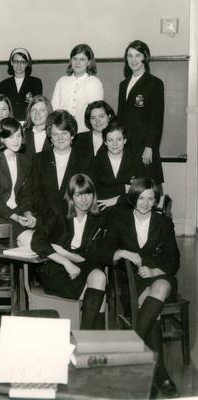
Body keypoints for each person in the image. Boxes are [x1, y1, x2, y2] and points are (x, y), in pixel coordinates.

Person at [102, 178, 179, 397]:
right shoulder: (120, 219)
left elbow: (174, 261)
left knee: (162, 286)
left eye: (151, 198)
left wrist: (155, 271)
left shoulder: (163, 223)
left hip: (160, 276)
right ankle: (160, 373)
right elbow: (102, 251)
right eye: (141, 198)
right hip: (133, 283)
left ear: (156, 200)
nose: (145, 203)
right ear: (133, 198)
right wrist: (121, 253)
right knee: (150, 304)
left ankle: (130, 356)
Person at [31, 173, 107, 329]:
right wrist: (65, 261)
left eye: (88, 194)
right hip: (56, 270)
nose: (85, 199)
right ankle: (89, 340)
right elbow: (37, 241)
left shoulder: (98, 218)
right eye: (79, 195)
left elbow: (95, 254)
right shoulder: (58, 214)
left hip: (83, 266)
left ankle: (84, 336)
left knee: (99, 277)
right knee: (99, 296)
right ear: (71, 196)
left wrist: (66, 253)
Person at [0, 117, 37, 286]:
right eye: (10, 137)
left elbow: (26, 193)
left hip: (15, 210)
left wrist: (27, 212)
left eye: (19, 135)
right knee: (29, 241)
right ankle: (0, 266)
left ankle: (0, 265)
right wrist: (15, 217)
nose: (16, 140)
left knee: (37, 233)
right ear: (1, 138)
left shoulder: (25, 159)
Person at [117, 40, 165, 186]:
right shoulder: (123, 84)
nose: (133, 60)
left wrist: (150, 147)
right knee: (128, 193)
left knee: (147, 191)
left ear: (145, 57)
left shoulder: (154, 83)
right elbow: (121, 117)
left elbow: (156, 119)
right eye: (130, 56)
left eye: (137, 55)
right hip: (127, 147)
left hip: (144, 147)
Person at [29, 110, 91, 221]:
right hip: (45, 219)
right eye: (55, 134)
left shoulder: (85, 160)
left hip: (75, 219)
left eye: (64, 133)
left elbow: (87, 195)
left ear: (72, 135)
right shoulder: (39, 159)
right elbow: (34, 193)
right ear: (50, 137)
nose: (60, 138)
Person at [90, 122, 147, 212]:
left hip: (128, 209)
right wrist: (124, 188)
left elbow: (141, 191)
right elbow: (95, 190)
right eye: (110, 140)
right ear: (105, 142)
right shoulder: (97, 161)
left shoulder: (135, 160)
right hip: (103, 208)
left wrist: (114, 200)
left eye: (119, 139)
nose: (115, 144)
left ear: (124, 140)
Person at [51, 43, 104, 133]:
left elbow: (96, 112)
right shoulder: (62, 81)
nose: (77, 63)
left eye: (82, 59)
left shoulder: (93, 82)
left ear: (89, 62)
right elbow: (54, 109)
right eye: (75, 59)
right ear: (71, 61)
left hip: (85, 132)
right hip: (63, 132)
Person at [0, 48, 43, 121]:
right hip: (10, 124)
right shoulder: (4, 84)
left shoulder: (36, 82)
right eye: (16, 61)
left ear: (27, 64)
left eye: (22, 62)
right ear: (11, 63)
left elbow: (37, 106)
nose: (19, 65)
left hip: (28, 123)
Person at [21, 95, 53, 161]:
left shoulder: (55, 135)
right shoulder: (22, 135)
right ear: (29, 113)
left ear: (48, 112)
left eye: (42, 110)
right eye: (34, 110)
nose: (37, 113)